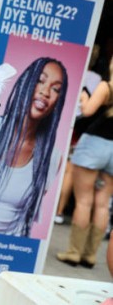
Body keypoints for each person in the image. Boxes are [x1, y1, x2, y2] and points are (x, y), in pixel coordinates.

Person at [0, 57, 68, 237]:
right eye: (40, 81)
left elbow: (27, 217)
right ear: (26, 83)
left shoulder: (51, 158)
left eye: (55, 88)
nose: (46, 92)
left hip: (10, 249)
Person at [57, 56, 113, 268]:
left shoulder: (106, 86)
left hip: (94, 144)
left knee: (83, 201)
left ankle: (74, 252)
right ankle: (90, 256)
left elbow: (88, 110)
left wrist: (83, 94)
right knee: (103, 203)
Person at [54, 45, 102, 225]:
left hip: (64, 121)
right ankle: (58, 211)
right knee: (68, 170)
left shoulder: (69, 68)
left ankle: (52, 209)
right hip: (79, 128)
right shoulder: (97, 79)